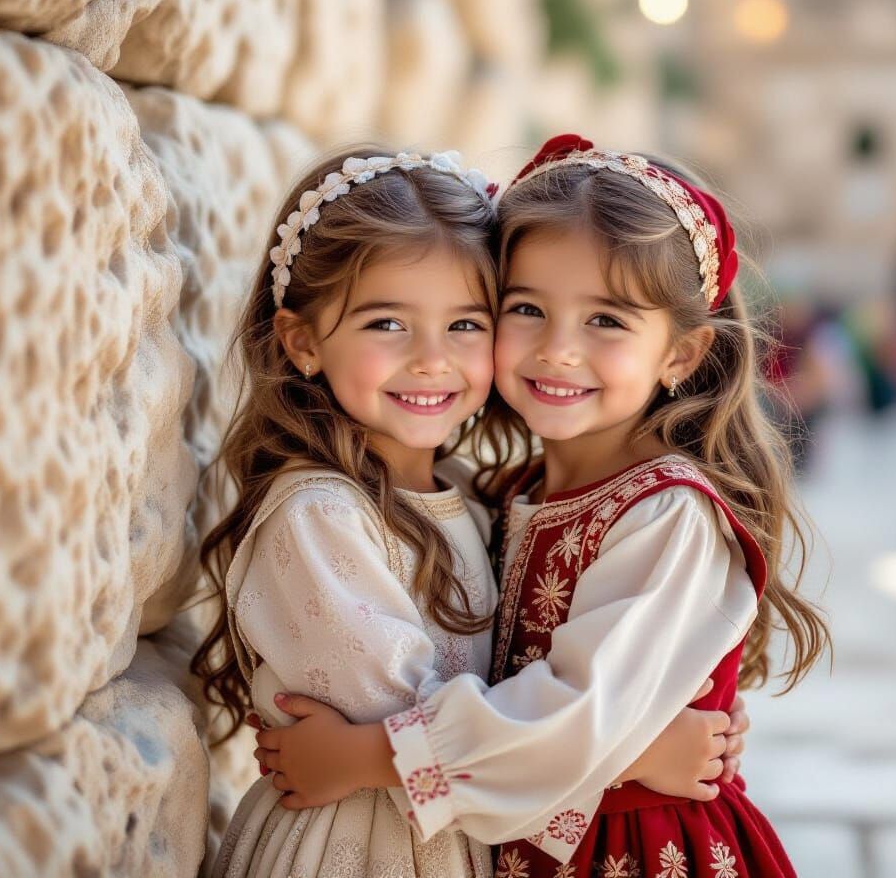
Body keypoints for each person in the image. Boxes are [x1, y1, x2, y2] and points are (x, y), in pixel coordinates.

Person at [256, 135, 830, 877]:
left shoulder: (669, 517)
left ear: (680, 355)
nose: (559, 349)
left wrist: (370, 758)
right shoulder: (500, 495)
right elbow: (573, 717)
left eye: (607, 320)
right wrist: (641, 749)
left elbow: (575, 722)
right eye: (527, 308)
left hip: (640, 853)